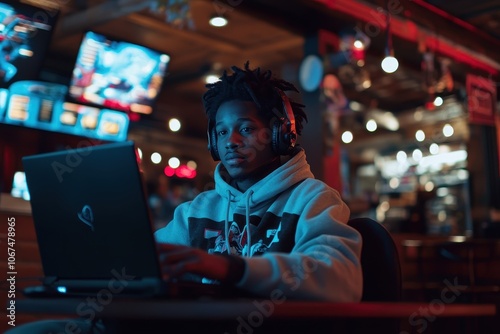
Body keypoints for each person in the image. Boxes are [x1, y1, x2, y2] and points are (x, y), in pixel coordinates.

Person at [155, 62, 363, 301]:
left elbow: (342, 280)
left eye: (245, 129)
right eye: (222, 132)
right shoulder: (195, 212)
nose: (231, 141)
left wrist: (231, 268)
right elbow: (142, 265)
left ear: (279, 135)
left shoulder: (313, 200)